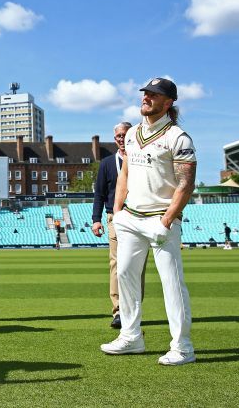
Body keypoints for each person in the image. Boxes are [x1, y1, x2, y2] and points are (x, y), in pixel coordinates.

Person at [100, 77, 197, 366]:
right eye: (145, 93)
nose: (146, 98)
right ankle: (131, 337)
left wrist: (167, 220)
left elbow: (186, 184)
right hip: (130, 217)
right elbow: (124, 176)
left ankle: (183, 346)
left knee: (172, 284)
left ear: (168, 103)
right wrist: (118, 213)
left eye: (154, 95)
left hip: (160, 220)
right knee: (126, 278)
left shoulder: (178, 137)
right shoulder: (131, 134)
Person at [92, 121, 148, 329]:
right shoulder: (107, 163)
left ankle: (133, 309)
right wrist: (96, 219)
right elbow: (99, 193)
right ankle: (118, 311)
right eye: (118, 136)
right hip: (114, 217)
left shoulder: (142, 159)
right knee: (116, 264)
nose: (122, 139)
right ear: (114, 139)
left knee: (138, 265)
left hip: (140, 216)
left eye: (125, 135)